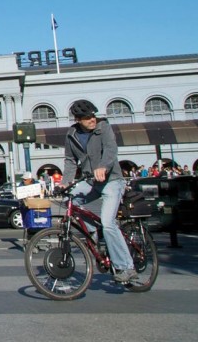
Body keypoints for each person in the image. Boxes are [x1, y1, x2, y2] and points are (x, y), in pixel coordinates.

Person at [61, 100, 136, 283]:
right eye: (87, 118)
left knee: (108, 222)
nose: (92, 119)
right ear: (78, 119)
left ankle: (126, 267)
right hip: (90, 181)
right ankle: (93, 234)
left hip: (112, 180)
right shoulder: (72, 135)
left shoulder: (103, 127)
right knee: (73, 201)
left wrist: (103, 166)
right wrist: (65, 183)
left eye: (93, 115)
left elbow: (111, 149)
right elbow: (70, 160)